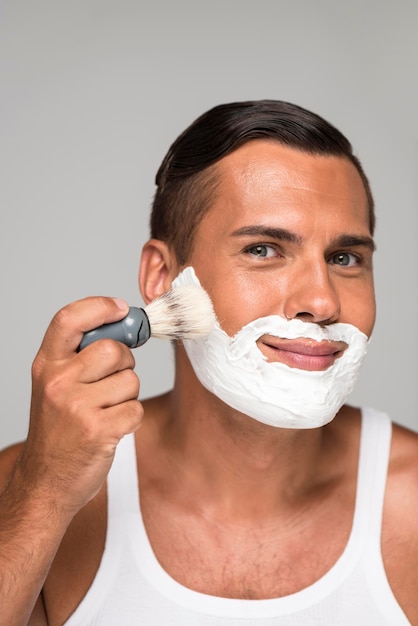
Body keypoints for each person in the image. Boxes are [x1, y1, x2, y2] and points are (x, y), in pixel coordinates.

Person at [0, 100, 417, 626]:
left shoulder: (414, 501)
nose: (324, 301)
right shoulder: (30, 488)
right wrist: (43, 494)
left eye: (345, 258)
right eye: (264, 250)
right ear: (163, 277)